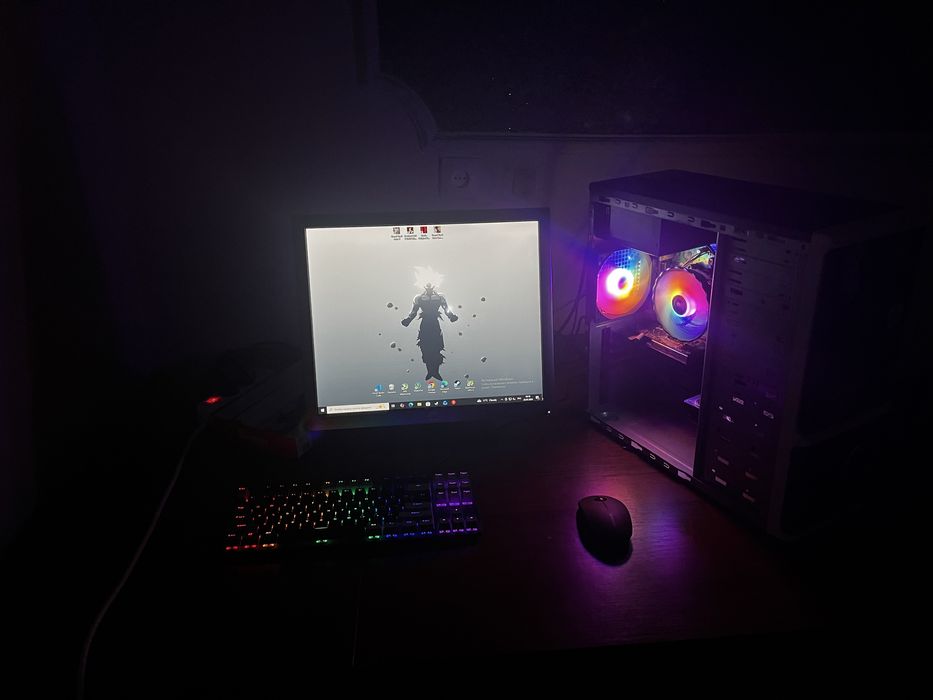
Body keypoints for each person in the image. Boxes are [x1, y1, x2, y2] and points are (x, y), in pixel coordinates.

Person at [401, 282, 458, 381]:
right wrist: (408, 320)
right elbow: (413, 311)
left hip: (434, 323)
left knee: (437, 345)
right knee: (425, 345)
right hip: (426, 323)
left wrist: (451, 316)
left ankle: (435, 371)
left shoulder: (440, 297)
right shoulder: (419, 298)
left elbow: (446, 308)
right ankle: (431, 371)